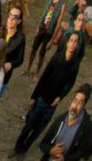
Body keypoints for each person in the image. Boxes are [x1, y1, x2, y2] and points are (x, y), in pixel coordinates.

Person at [9, 31, 83, 159]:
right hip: (41, 98)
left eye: (76, 41)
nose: (73, 43)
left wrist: (60, 97)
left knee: (37, 130)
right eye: (71, 40)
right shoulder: (56, 58)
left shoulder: (75, 65)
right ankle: (17, 147)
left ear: (77, 46)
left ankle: (24, 150)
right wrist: (33, 97)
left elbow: (70, 84)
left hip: (52, 105)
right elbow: (43, 78)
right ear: (67, 42)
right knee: (28, 126)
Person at [24, 0, 67, 78]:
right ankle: (28, 69)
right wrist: (39, 25)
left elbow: (58, 24)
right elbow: (44, 13)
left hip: (49, 31)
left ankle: (37, 72)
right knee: (33, 49)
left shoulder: (62, 5)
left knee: (41, 53)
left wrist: (51, 41)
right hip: (42, 27)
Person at [37, 83, 92, 161]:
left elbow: (81, 151)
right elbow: (43, 144)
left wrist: (65, 159)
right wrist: (50, 150)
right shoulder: (60, 119)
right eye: (75, 100)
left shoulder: (87, 125)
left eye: (80, 102)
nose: (75, 106)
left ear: (84, 105)